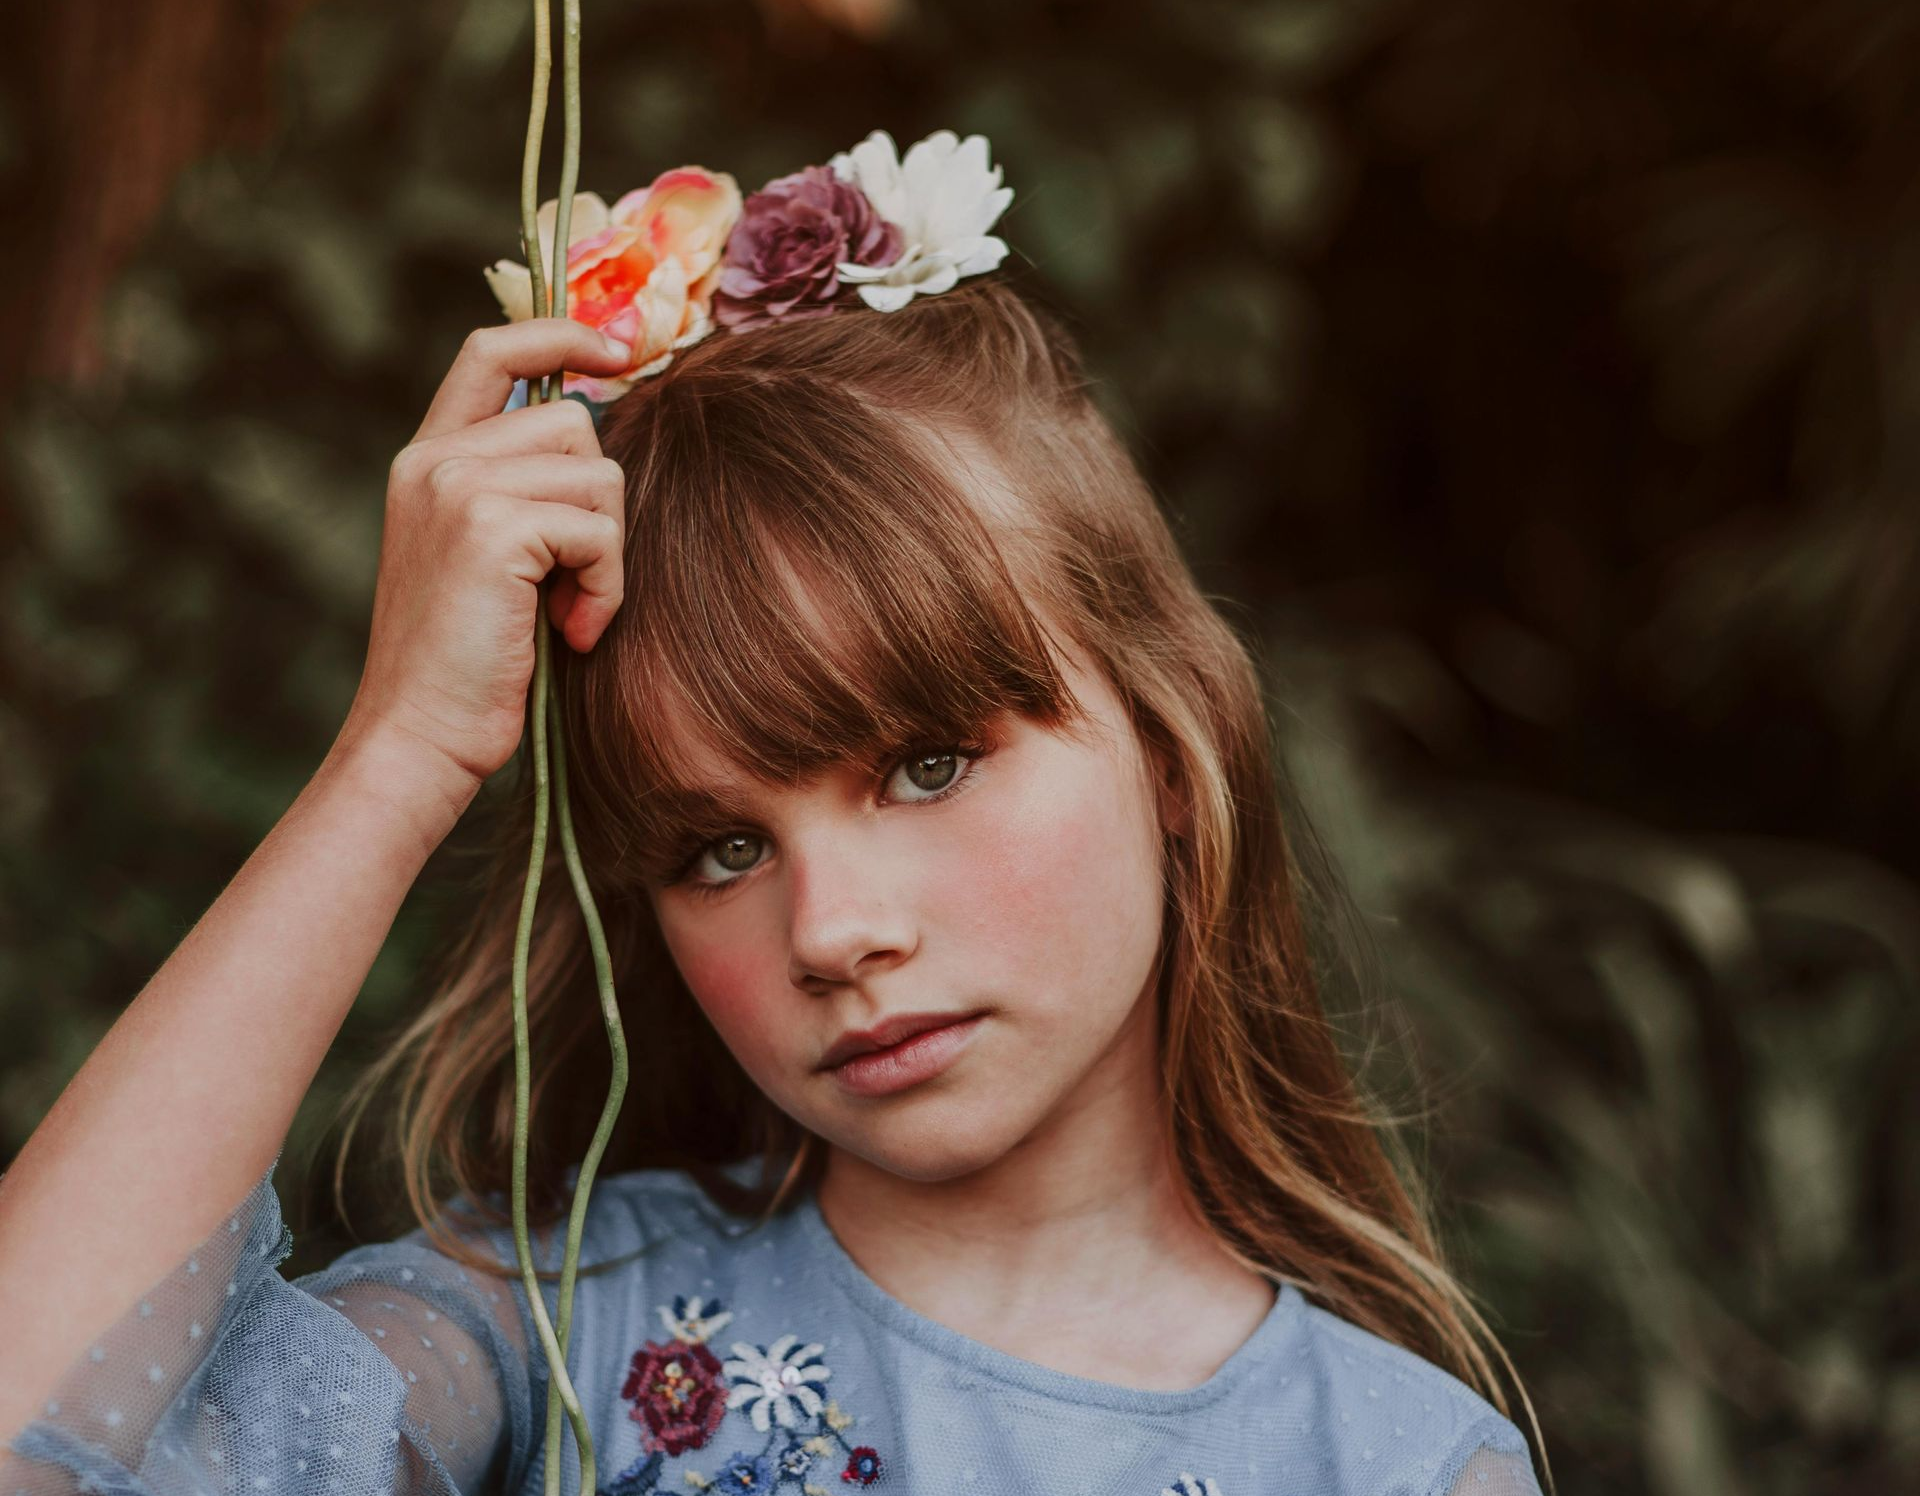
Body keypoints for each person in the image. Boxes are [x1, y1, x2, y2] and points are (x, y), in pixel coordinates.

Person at [0, 271, 1551, 1496]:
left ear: (1167, 745)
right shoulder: (549, 1327)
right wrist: (397, 757)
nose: (833, 932)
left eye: (927, 765)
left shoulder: (1403, 1466)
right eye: (721, 850)